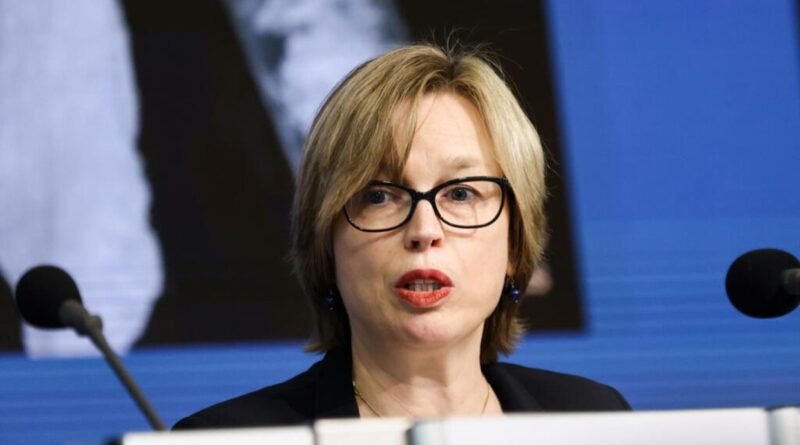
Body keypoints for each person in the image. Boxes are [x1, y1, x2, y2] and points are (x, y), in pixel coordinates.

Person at [174, 43, 629, 429]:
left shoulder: (596, 421)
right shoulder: (222, 439)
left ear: (515, 243)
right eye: (379, 196)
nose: (424, 231)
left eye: (461, 192)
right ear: (326, 244)